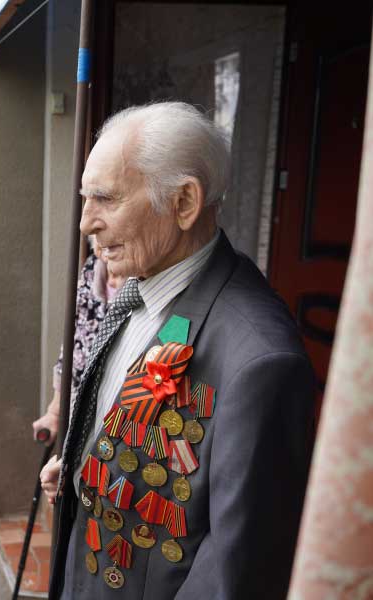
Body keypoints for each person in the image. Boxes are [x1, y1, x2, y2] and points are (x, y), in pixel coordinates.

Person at [40, 102, 315, 600]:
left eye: (105, 199)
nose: (85, 223)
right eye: (85, 198)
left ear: (185, 202)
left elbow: (238, 573)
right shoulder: (139, 285)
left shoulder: (261, 361)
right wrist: (86, 468)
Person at [32, 242, 123, 445]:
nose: (101, 238)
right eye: (95, 237)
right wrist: (55, 412)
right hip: (80, 409)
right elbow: (75, 345)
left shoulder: (140, 283)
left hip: (115, 417)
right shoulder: (92, 269)